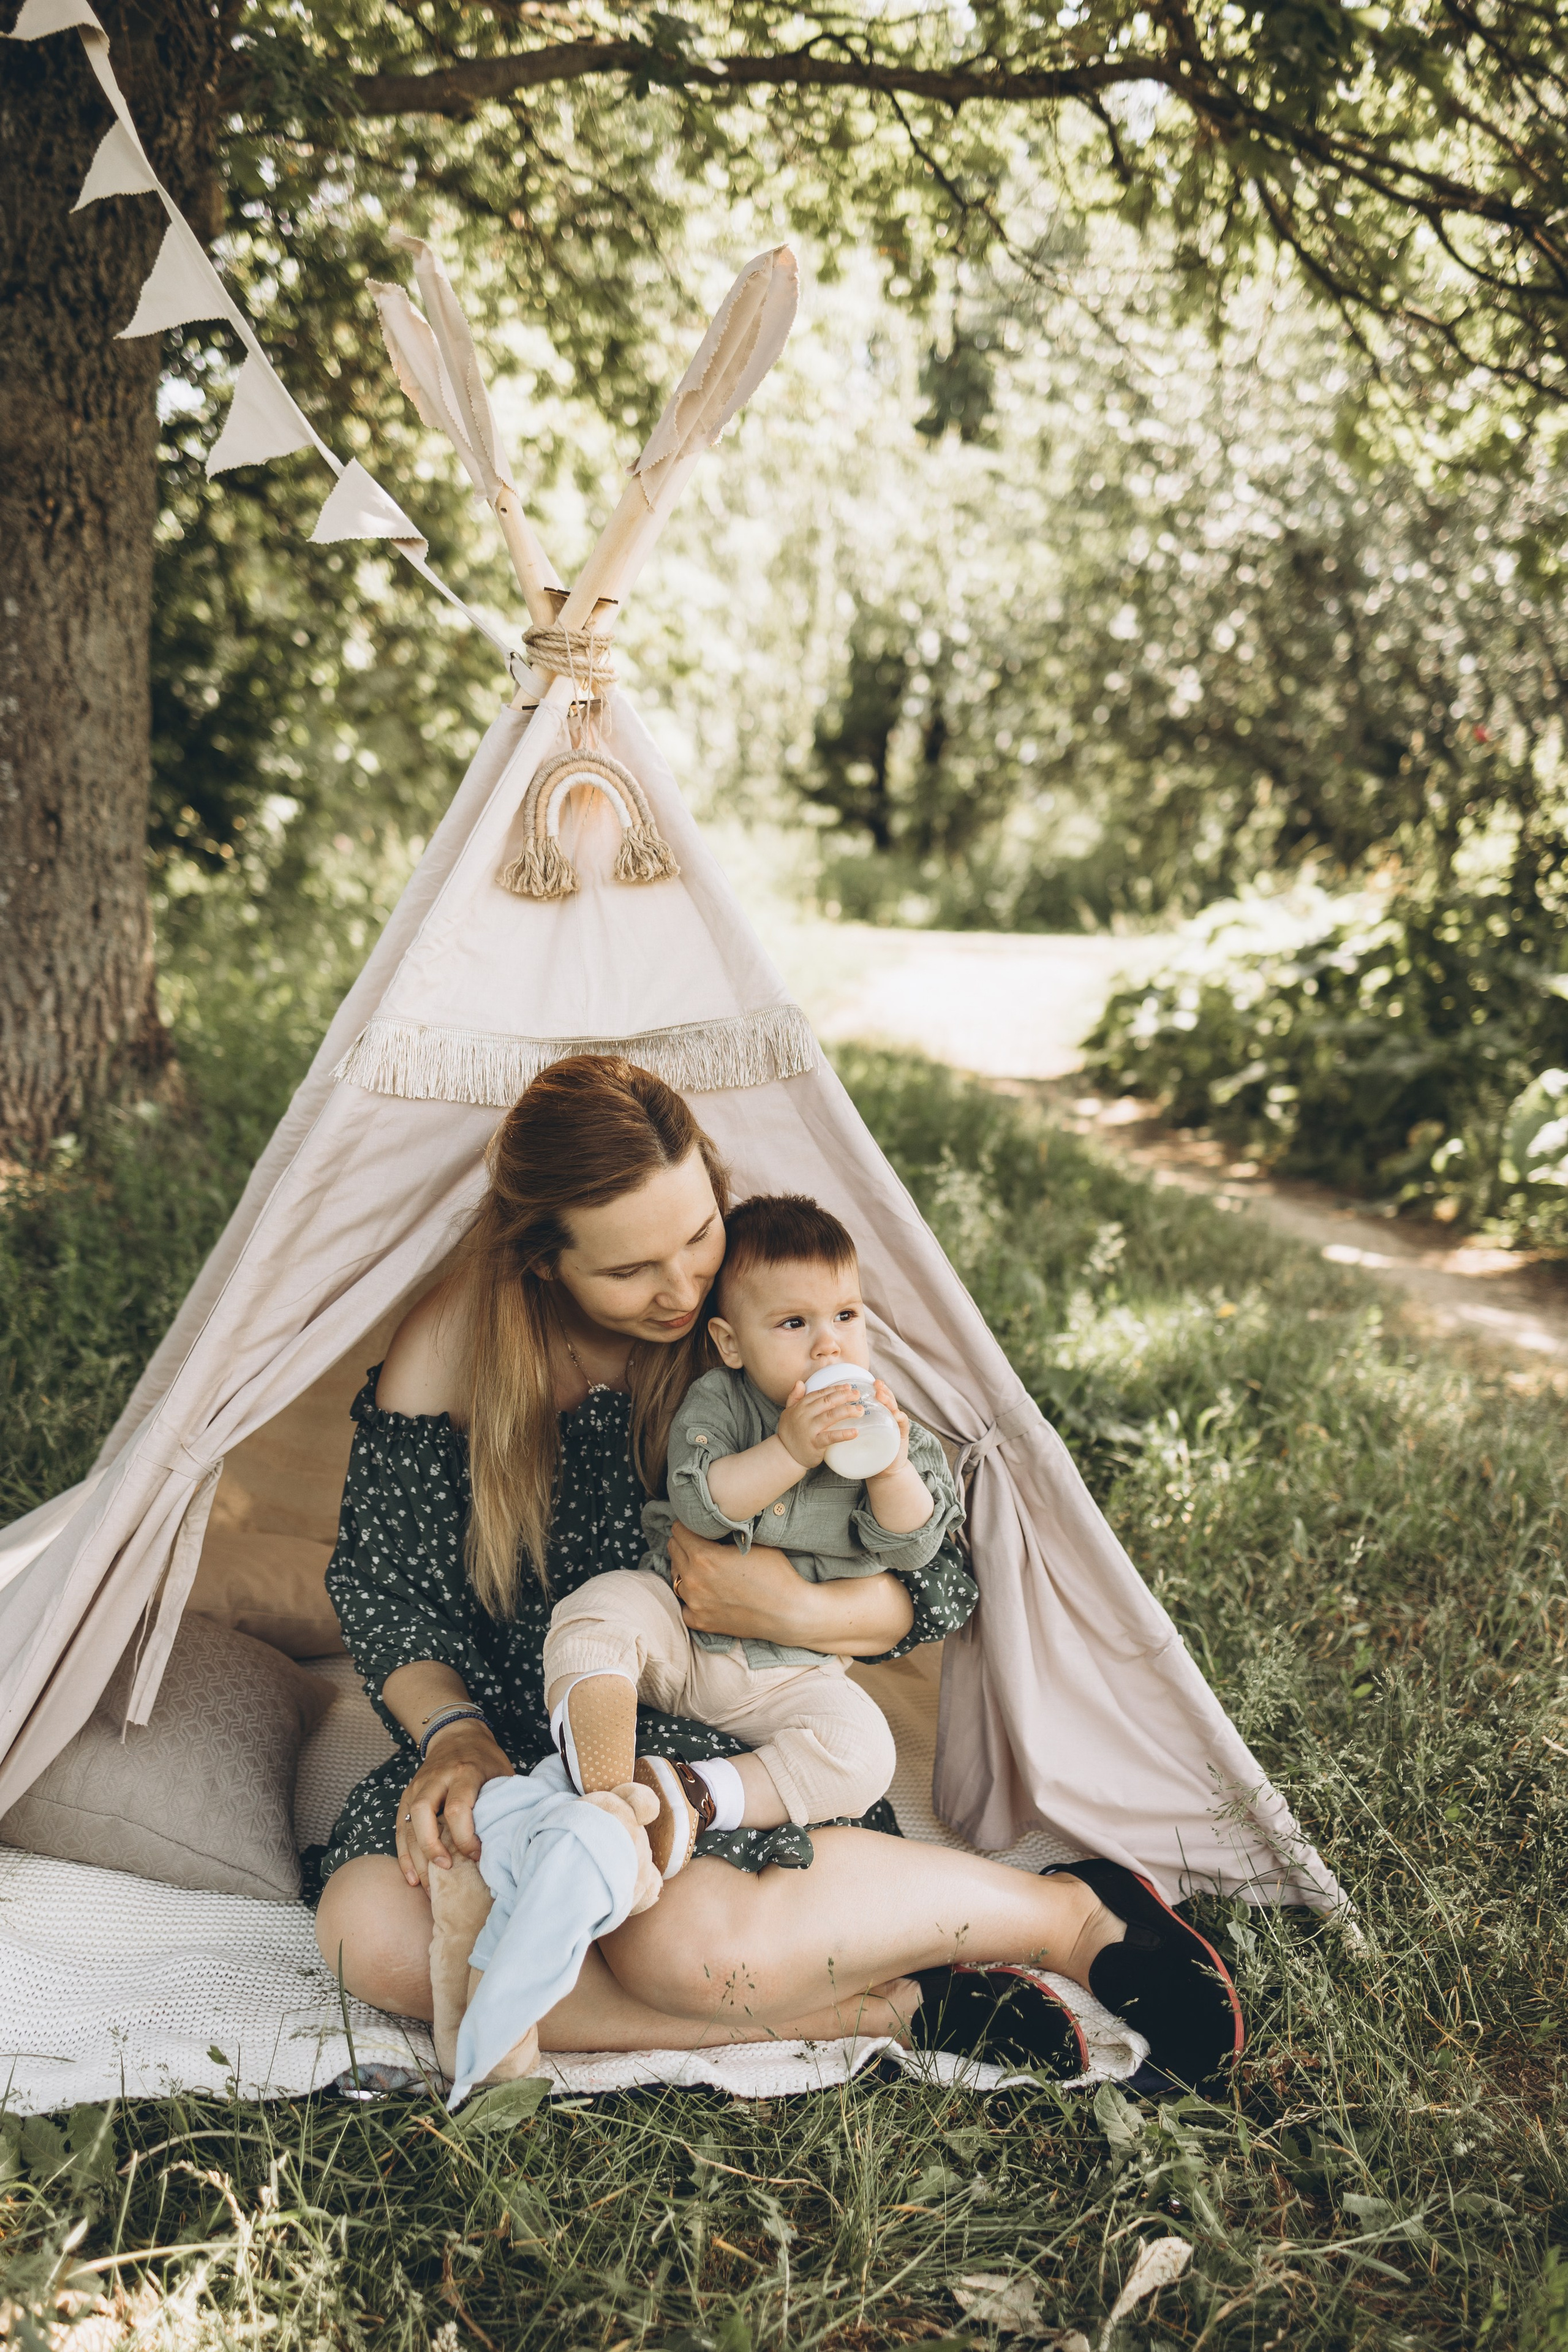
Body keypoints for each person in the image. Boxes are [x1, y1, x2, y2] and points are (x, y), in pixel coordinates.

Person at [315, 1054, 1243, 2089]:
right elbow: (389, 1592)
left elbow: (939, 1572)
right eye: (628, 1271)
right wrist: (457, 1739)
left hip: (732, 1733)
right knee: (373, 1938)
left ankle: (1069, 1915)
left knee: (683, 1951)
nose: (682, 1288)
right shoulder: (458, 1341)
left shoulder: (766, 1320)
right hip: (542, 1728)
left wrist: (799, 1605)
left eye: (699, 1234)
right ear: (542, 1263)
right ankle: (900, 2002)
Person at [540, 1191, 964, 1873]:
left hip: (791, 1675)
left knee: (864, 1751)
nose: (829, 1342)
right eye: (794, 1322)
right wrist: (790, 1451)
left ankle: (693, 1795)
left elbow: (913, 1544)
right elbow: (701, 1504)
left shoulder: (888, 1425)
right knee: (595, 1612)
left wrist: (889, 1468)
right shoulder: (721, 1403)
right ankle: (605, 1790)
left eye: (846, 1316)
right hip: (678, 1631)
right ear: (731, 1344)